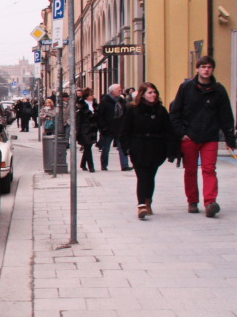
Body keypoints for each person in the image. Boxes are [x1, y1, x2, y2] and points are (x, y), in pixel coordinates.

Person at [168, 55, 237, 217]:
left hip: (210, 136)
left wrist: (230, 139)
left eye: (209, 67)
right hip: (189, 136)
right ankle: (192, 201)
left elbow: (226, 116)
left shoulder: (218, 90)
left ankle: (210, 202)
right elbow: (175, 112)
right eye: (203, 67)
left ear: (212, 69)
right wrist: (181, 133)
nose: (206, 70)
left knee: (209, 169)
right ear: (197, 69)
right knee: (190, 170)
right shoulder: (186, 88)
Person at [121, 82, 177, 219]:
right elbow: (125, 130)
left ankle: (148, 201)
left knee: (150, 176)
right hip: (138, 147)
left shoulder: (161, 110)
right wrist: (127, 147)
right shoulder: (133, 110)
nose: (153, 95)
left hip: (156, 148)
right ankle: (141, 206)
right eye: (150, 92)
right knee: (142, 176)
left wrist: (171, 151)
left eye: (154, 92)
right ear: (143, 94)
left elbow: (168, 131)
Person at [96, 84, 132, 171]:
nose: (120, 91)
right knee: (106, 148)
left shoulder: (121, 101)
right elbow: (100, 116)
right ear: (112, 92)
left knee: (122, 147)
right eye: (118, 90)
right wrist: (103, 127)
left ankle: (125, 165)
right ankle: (104, 165)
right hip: (108, 129)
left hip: (120, 128)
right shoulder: (105, 102)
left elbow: (126, 113)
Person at [76, 88, 99, 172]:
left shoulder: (95, 104)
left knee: (88, 146)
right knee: (87, 146)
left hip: (93, 129)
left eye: (92, 94)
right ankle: (91, 166)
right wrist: (77, 130)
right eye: (90, 95)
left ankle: (82, 164)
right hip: (84, 129)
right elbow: (78, 118)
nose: (92, 96)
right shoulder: (81, 105)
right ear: (86, 96)